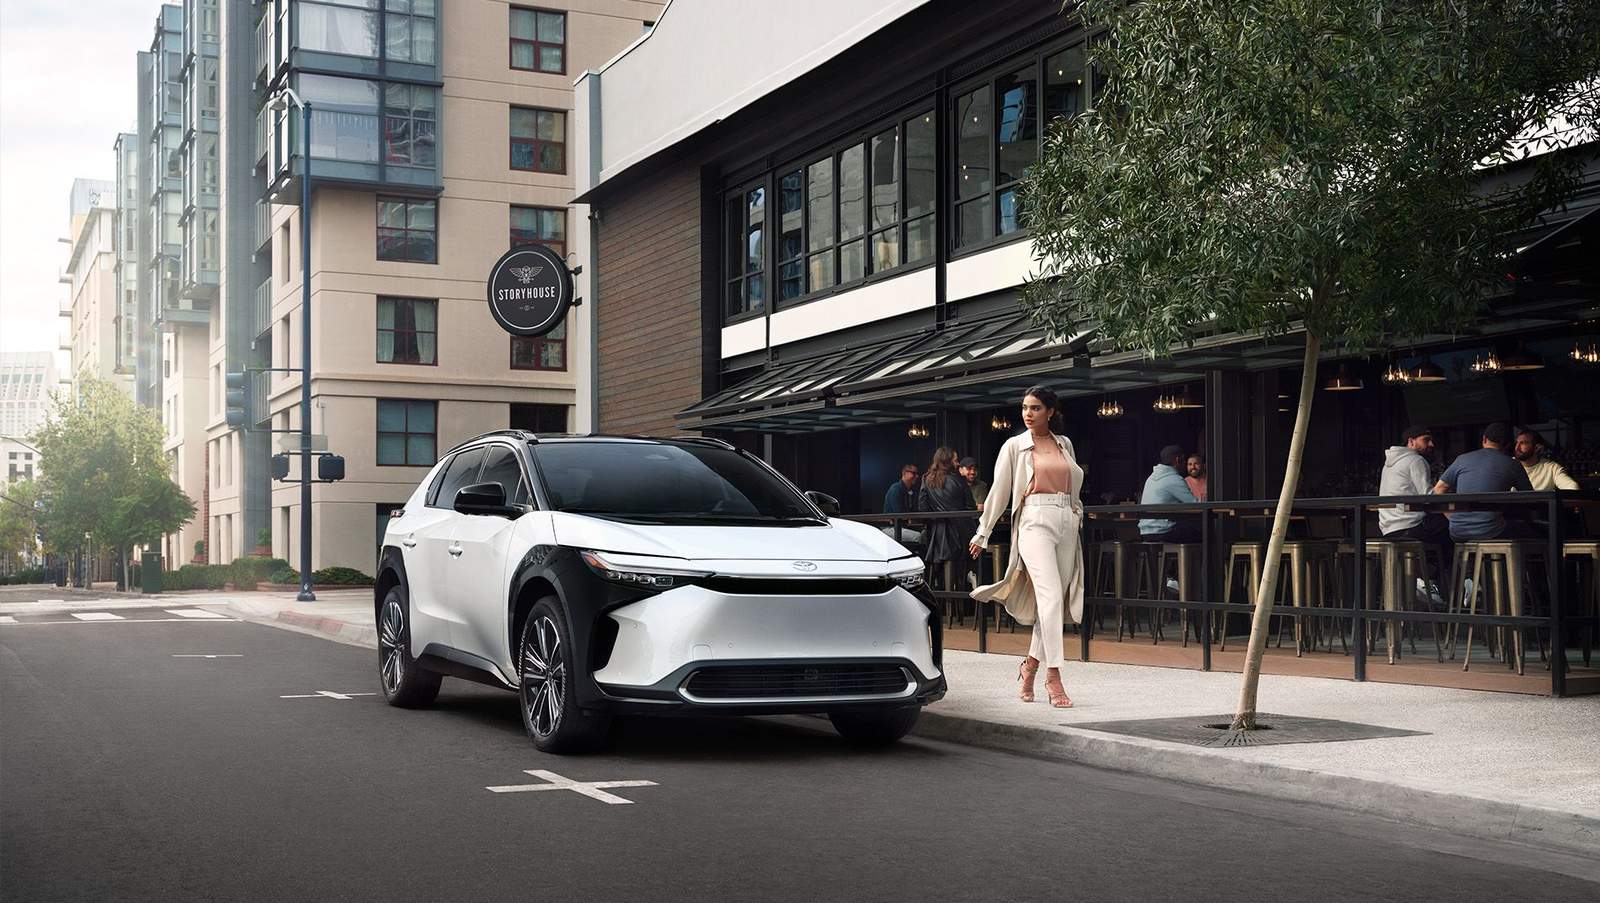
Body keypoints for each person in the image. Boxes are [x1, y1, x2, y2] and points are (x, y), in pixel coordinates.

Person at [968, 385, 1085, 709]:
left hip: (1066, 521)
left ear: (1050, 411)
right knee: (1048, 597)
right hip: (1034, 521)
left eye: (1035, 408)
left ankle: (1029, 667)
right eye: (1024, 408)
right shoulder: (1014, 446)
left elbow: (1072, 486)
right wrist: (983, 532)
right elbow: (1000, 491)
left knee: (1054, 604)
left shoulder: (1064, 444)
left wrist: (1076, 515)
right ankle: (1054, 676)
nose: (1028, 414)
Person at [1433, 422, 1535, 540]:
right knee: (1538, 534)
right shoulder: (1513, 464)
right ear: (1507, 445)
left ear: (1484, 439)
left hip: (1457, 531)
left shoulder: (1462, 459)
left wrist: (1453, 518)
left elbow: (1438, 489)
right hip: (1492, 532)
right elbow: (1530, 499)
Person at [1380, 425, 1450, 545]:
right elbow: (1428, 498)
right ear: (1411, 442)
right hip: (1411, 526)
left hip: (1388, 529)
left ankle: (1424, 562)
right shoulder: (1416, 460)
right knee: (1454, 528)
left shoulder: (1388, 463)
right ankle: (1448, 564)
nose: (1431, 444)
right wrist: (1444, 486)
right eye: (1426, 440)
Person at [918, 447, 976, 588]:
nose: (957, 464)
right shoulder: (959, 480)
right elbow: (971, 508)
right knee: (962, 576)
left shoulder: (927, 479)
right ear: (947, 461)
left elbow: (922, 508)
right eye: (955, 460)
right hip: (960, 536)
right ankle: (961, 606)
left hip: (937, 537)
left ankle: (943, 603)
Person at [1138, 445, 1200, 542]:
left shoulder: (1150, 478)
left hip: (1145, 532)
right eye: (1184, 460)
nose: (1184, 463)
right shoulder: (1174, 478)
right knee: (1203, 531)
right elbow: (1195, 506)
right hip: (1163, 532)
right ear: (1177, 459)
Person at [1515, 428, 1579, 491]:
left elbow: (1573, 488)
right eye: (1517, 443)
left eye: (1523, 443)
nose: (1517, 448)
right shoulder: (1509, 465)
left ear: (1537, 448)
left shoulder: (1552, 468)